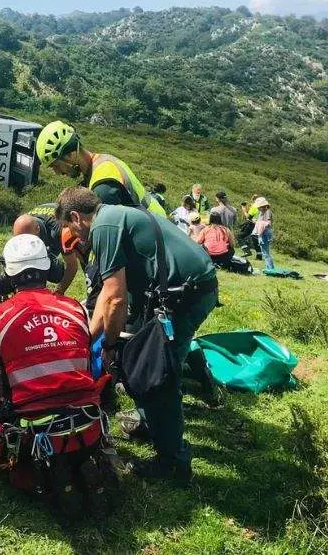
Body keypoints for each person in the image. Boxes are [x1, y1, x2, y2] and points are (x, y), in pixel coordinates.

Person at [56, 187, 218, 481]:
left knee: (158, 374)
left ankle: (173, 462)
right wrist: (92, 340)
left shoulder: (104, 226)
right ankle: (151, 423)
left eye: (70, 228)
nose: (75, 239)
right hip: (184, 289)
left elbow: (114, 298)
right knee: (144, 363)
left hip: (186, 296)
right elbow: (109, 296)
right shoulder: (116, 215)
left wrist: (106, 344)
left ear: (76, 217)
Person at [0, 234, 113, 517]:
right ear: (49, 270)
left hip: (32, 418)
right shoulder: (74, 306)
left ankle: (39, 470)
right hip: (86, 409)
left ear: (7, 275)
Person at [35, 120, 166, 217]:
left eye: (56, 166)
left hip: (157, 237)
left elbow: (106, 233)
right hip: (155, 223)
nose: (57, 173)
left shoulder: (103, 186)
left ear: (70, 154)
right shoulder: (102, 161)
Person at [12, 204, 79, 295]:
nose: (25, 244)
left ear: (37, 229)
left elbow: (72, 265)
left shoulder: (60, 230)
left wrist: (59, 292)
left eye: (29, 241)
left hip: (76, 226)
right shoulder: (23, 226)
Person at [253, 196, 275, 270]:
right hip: (263, 233)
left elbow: (268, 223)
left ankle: (270, 269)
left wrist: (259, 223)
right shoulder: (261, 213)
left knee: (265, 252)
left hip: (265, 233)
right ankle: (268, 267)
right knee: (264, 252)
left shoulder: (267, 212)